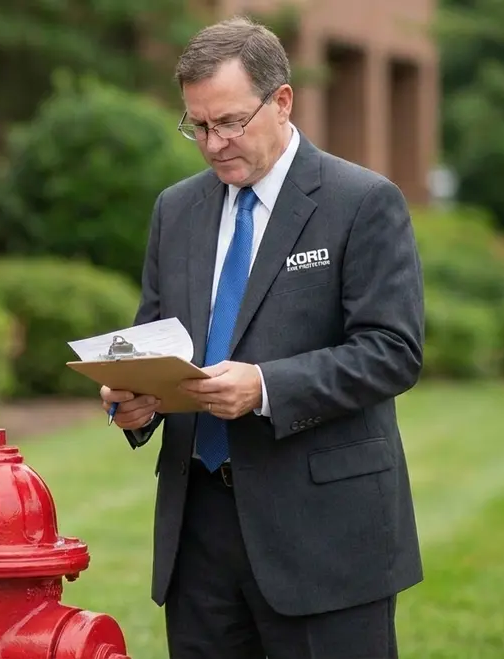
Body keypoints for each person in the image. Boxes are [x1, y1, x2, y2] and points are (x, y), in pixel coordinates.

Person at [99, 16, 426, 659]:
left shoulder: (362, 201)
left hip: (323, 536)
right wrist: (133, 401)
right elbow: (154, 334)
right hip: (198, 539)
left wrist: (267, 386)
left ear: (282, 101)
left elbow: (393, 350)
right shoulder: (176, 209)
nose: (213, 143)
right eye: (198, 125)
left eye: (229, 122)